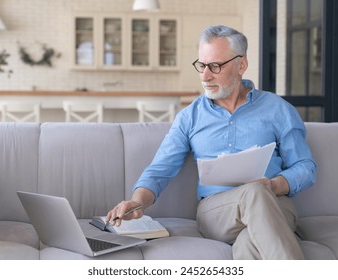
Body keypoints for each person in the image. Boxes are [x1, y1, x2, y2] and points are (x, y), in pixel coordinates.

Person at [106, 25, 316, 260]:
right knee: (254, 193)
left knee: (249, 243)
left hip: (275, 204)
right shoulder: (190, 116)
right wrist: (137, 202)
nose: (205, 76)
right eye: (202, 65)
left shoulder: (278, 109)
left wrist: (273, 186)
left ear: (241, 65)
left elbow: (305, 167)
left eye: (215, 66)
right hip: (216, 212)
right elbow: (159, 170)